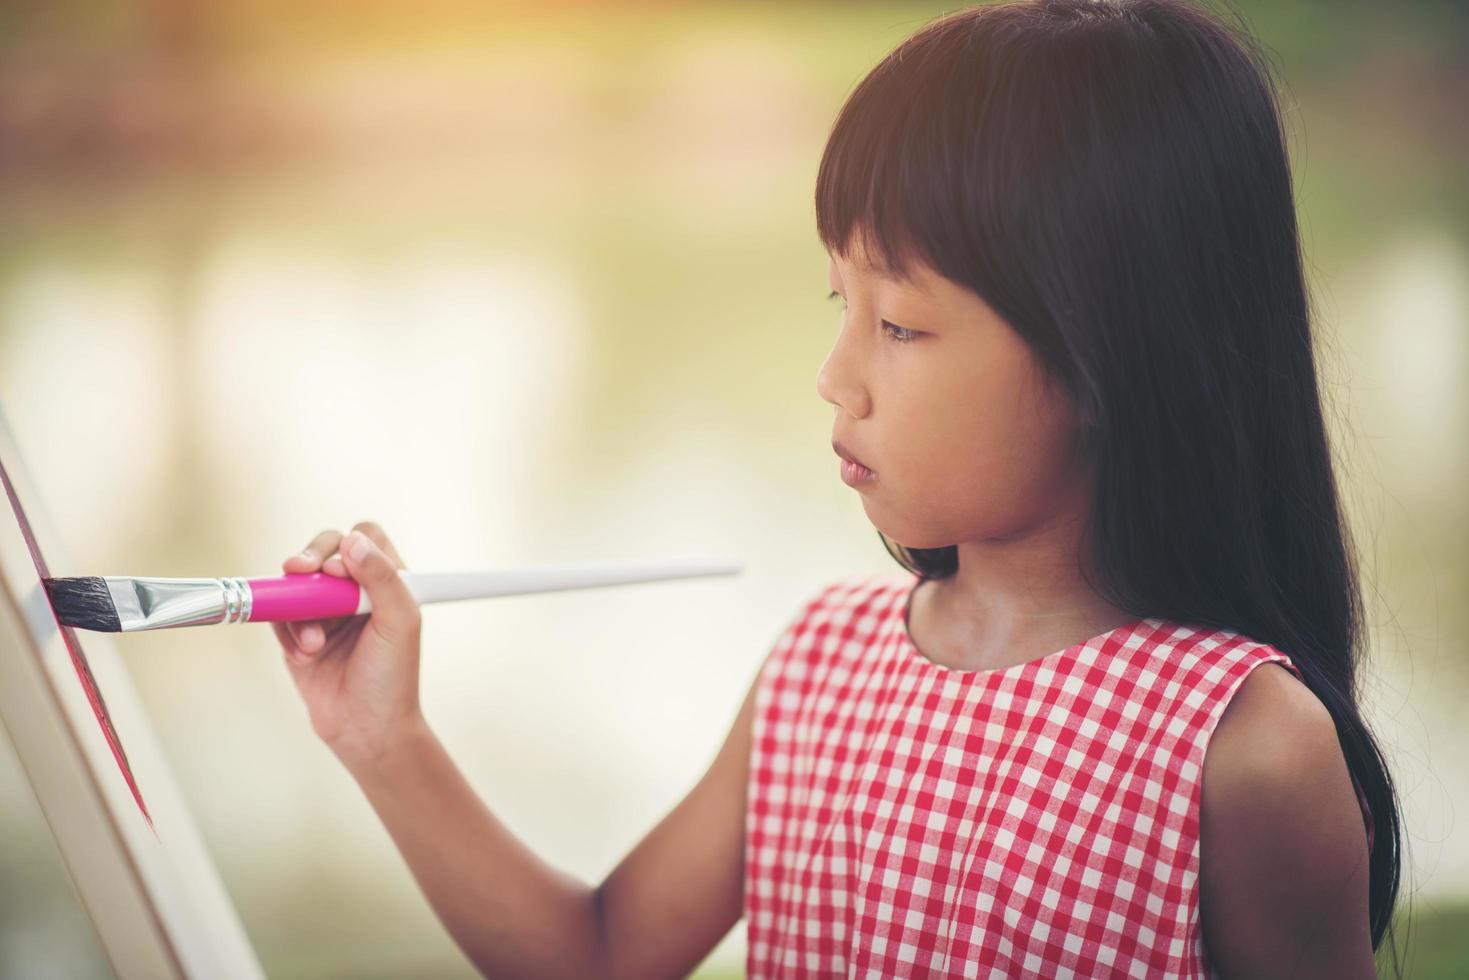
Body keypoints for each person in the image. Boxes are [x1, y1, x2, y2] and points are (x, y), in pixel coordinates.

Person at [273, 0, 1403, 976]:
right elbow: (600, 953)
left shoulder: (1241, 749)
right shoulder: (818, 662)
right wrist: (385, 735)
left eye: (900, 323)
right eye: (839, 305)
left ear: (1108, 358)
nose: (834, 379)